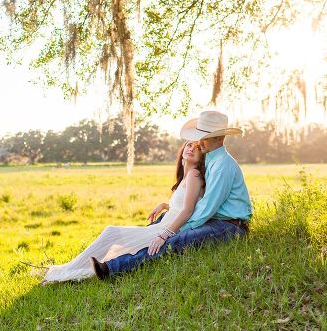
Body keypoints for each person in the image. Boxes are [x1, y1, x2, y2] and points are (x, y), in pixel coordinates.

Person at [91, 110, 253, 280]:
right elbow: (198, 201)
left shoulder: (222, 165)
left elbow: (207, 208)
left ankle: (111, 269)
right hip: (216, 220)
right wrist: (168, 214)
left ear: (219, 138)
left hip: (230, 226)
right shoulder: (211, 160)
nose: (199, 142)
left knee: (176, 240)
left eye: (204, 137)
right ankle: (117, 255)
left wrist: (170, 231)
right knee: (161, 226)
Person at [40, 140, 206, 284]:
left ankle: (69, 271)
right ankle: (71, 270)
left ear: (201, 156)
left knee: (112, 232)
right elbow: (180, 206)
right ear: (182, 150)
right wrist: (164, 205)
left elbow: (188, 210)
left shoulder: (194, 174)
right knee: (114, 238)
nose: (191, 148)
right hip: (162, 226)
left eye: (197, 148)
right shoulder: (186, 177)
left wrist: (164, 235)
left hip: (166, 230)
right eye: (189, 145)